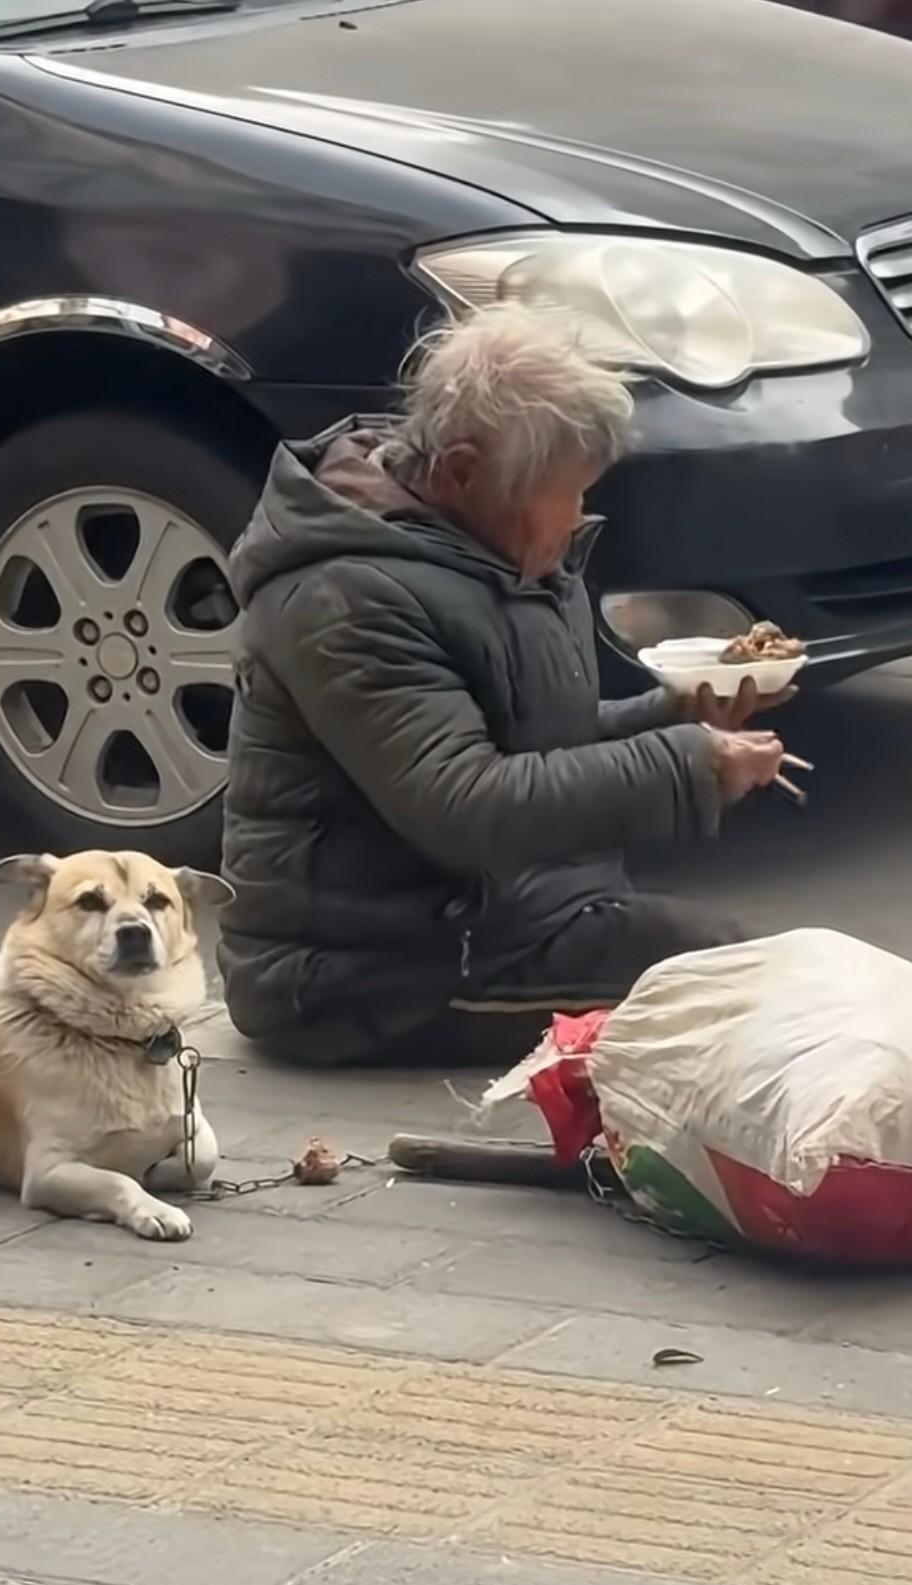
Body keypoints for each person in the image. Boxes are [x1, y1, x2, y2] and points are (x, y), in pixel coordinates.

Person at [218, 305, 786, 1067]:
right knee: (747, 987)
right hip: (368, 978)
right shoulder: (346, 596)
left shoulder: (492, 546)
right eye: (568, 491)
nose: (581, 513)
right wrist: (687, 763)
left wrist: (671, 712)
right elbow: (465, 801)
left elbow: (530, 739)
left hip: (515, 916)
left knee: (762, 971)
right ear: (460, 472)